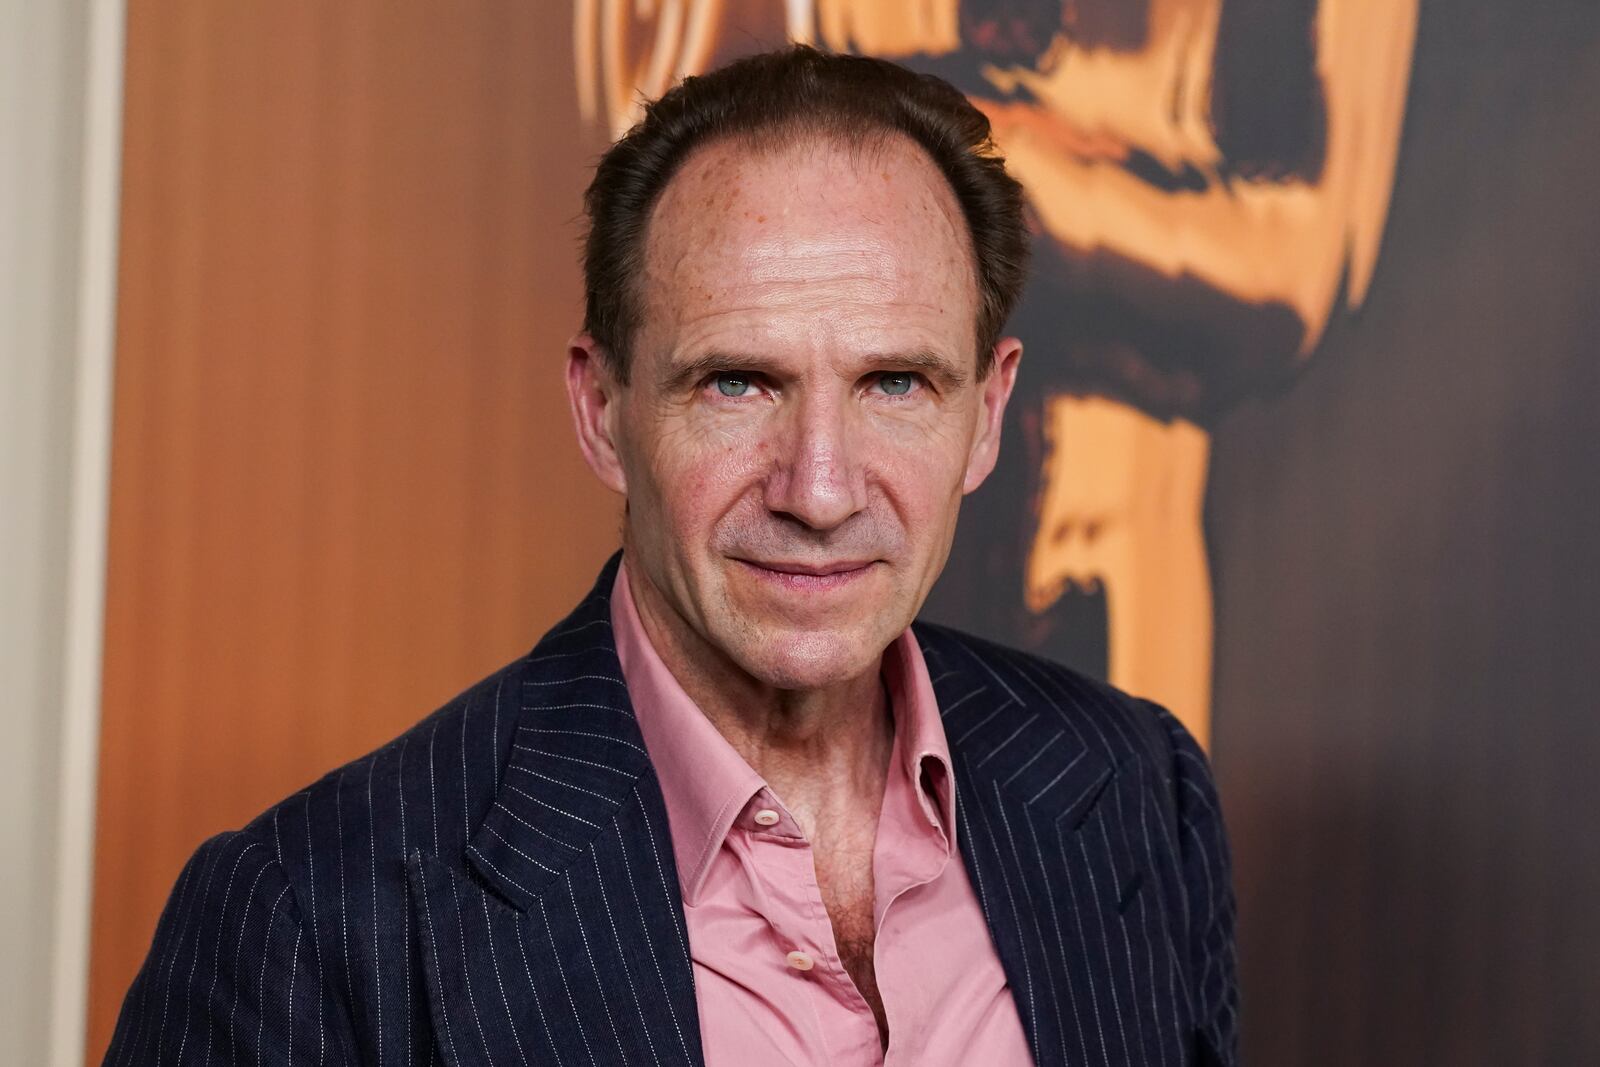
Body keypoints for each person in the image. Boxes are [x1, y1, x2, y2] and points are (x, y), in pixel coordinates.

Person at [106, 46, 1237, 1066]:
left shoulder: (1137, 789)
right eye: (737, 381)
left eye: (896, 383)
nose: (821, 489)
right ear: (603, 409)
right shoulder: (310, 917)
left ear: (986, 415)